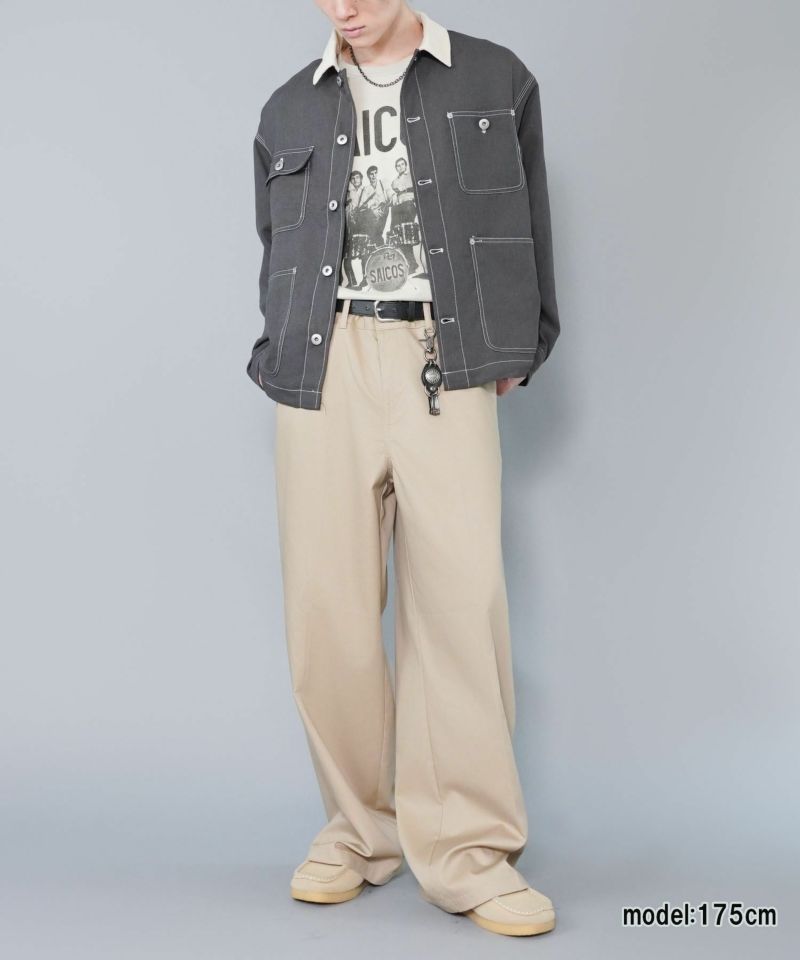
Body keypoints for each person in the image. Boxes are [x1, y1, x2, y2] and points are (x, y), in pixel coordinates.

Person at [247, 0, 561, 938]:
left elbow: (530, 216)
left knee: (462, 605)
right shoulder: (289, 106)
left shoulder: (493, 77)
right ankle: (358, 830)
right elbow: (275, 242)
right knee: (327, 612)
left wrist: (524, 339)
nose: (341, 7)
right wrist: (283, 347)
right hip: (325, 360)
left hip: (443, 354)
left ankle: (470, 852)